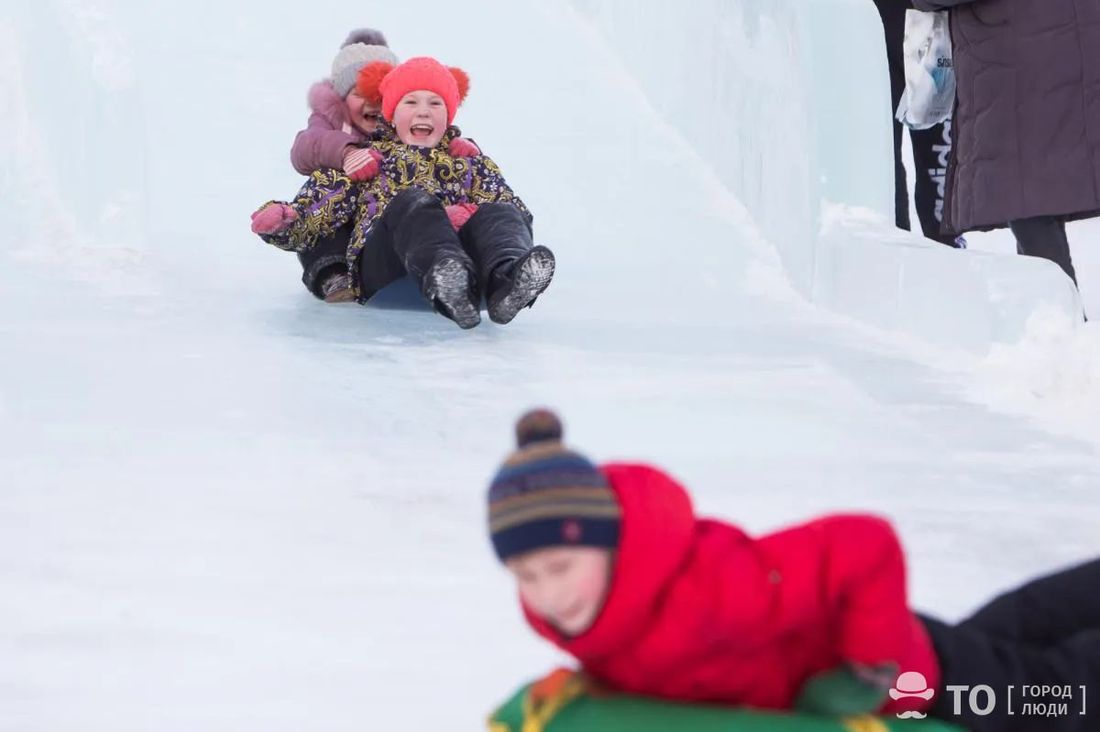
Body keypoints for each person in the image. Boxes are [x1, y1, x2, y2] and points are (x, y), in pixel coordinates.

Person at [487, 408, 1100, 731]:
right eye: (526, 575)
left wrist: (872, 670)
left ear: (609, 545)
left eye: (560, 566)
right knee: (1021, 629)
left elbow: (865, 544)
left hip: (917, 686)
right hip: (903, 664)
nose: (548, 593)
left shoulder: (717, 586)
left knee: (1060, 695)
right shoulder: (599, 617)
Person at [252, 57, 554, 329]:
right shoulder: (370, 159)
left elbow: (514, 217)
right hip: (388, 275)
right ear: (391, 116)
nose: (424, 111)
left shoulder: (469, 163)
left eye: (435, 104)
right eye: (411, 103)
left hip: (473, 281)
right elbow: (318, 211)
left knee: (502, 210)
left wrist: (471, 216)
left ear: (447, 117)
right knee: (413, 203)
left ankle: (505, 285)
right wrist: (285, 219)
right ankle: (448, 275)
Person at [264, 28, 480, 303]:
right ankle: (333, 273)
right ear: (340, 98)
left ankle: (444, 260)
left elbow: (436, 138)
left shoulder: (404, 119)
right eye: (359, 92)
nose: (371, 102)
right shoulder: (330, 121)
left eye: (379, 93)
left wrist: (456, 147)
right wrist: (346, 152)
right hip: (341, 209)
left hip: (386, 218)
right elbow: (307, 147)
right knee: (320, 219)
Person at [911, 0, 1100, 294]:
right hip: (1069, 46)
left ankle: (1059, 319)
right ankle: (1056, 317)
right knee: (1036, 193)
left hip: (1017, 66)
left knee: (1025, 194)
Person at [871, 0, 960, 248]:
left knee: (931, 154)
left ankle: (944, 250)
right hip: (881, 23)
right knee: (883, 154)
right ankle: (896, 249)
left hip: (926, 24)